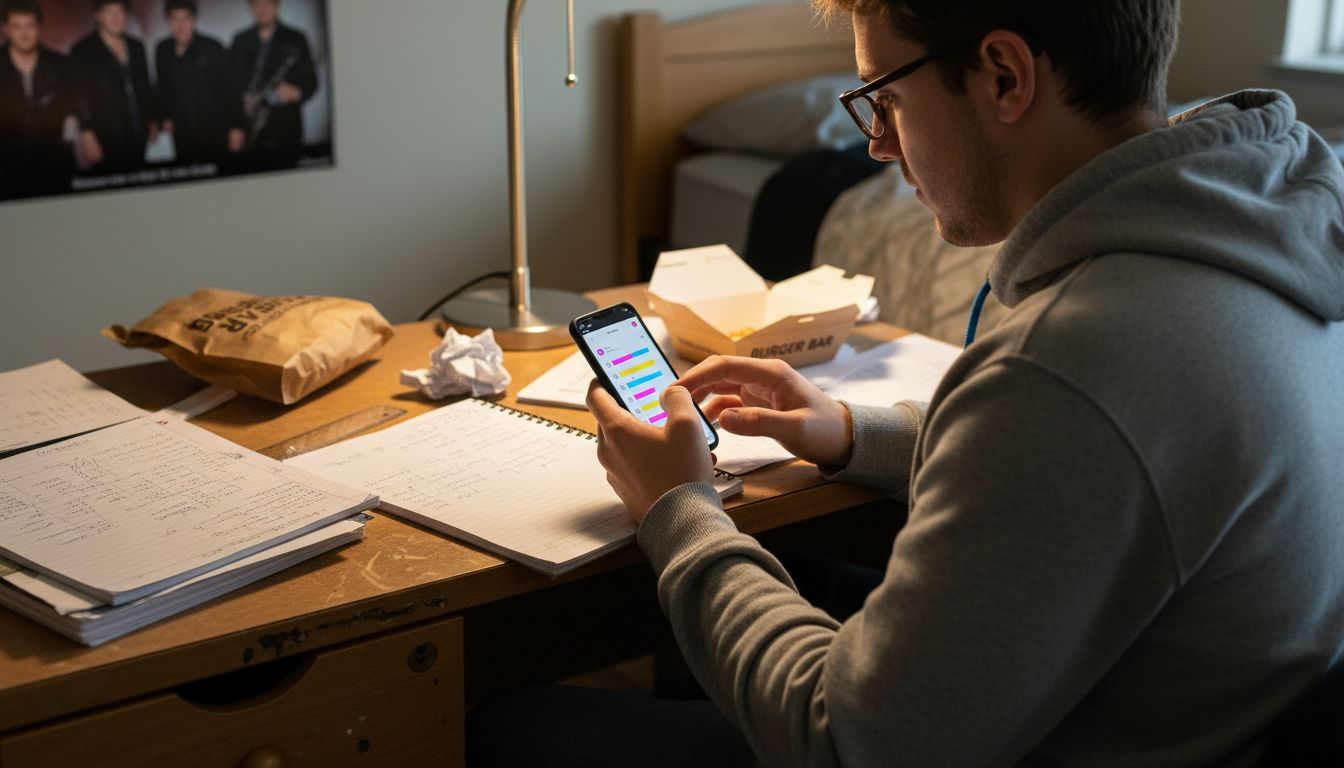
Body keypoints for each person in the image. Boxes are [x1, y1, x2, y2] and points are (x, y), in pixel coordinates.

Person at [468, 0, 1344, 766]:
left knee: (510, 727)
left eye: (883, 96)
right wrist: (852, 430)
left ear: (1003, 75)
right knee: (804, 562)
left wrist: (679, 509)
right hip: (1163, 702)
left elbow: (843, 743)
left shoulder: (1075, 358)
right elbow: (1109, 469)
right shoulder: (1264, 237)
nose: (879, 145)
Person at [69, 0, 155, 175]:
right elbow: (78, 95)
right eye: (109, 12)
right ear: (98, 15)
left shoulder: (136, 46)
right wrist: (87, 134)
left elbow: (145, 87)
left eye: (121, 12)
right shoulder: (83, 50)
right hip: (104, 135)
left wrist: (152, 119)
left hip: (138, 132)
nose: (116, 18)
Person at [228, 0, 315, 171]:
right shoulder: (240, 40)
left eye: (267, 3)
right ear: (251, 8)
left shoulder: (296, 38)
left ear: (277, 5)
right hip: (249, 130)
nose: (262, 9)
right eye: (256, 4)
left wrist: (296, 92)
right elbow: (230, 88)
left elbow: (311, 82)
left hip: (285, 133)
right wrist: (235, 125)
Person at [0, 0, 75, 198]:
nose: (24, 33)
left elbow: (74, 109)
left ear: (40, 28)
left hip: (54, 166)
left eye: (30, 25)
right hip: (6, 169)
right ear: (5, 29)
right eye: (17, 26)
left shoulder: (60, 65)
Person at [154, 0, 240, 167]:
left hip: (215, 131)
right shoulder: (162, 49)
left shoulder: (213, 47)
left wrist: (236, 127)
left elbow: (232, 89)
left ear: (194, 20)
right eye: (174, 19)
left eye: (186, 18)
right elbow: (162, 88)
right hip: (182, 133)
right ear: (168, 22)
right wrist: (164, 116)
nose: (181, 25)